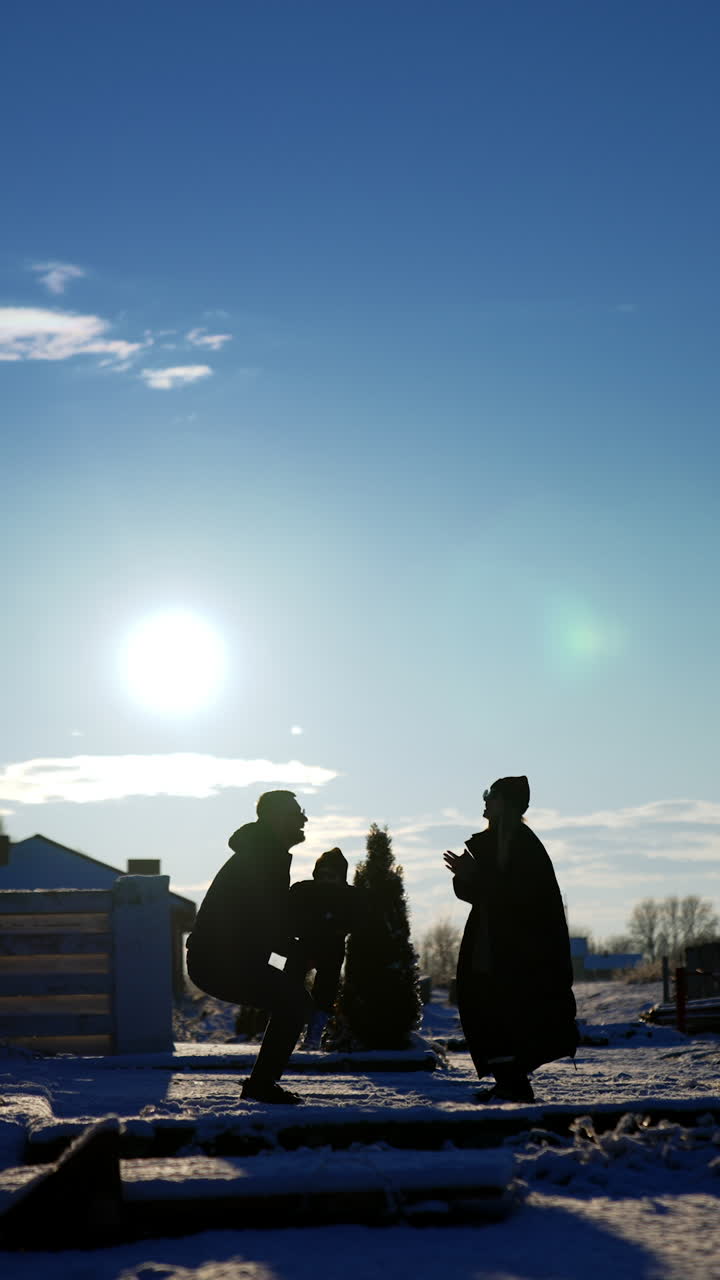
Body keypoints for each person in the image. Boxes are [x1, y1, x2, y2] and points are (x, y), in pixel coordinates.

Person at [444, 776, 578, 1103]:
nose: (486, 801)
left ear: (506, 803)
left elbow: (517, 896)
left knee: (507, 1010)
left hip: (517, 949)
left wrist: (474, 875)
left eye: (491, 796)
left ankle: (514, 1083)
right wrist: (466, 877)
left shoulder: (521, 844)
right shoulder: (500, 842)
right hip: (496, 943)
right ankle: (508, 1081)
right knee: (489, 1008)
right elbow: (488, 894)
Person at [186, 790, 313, 1105]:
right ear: (275, 818)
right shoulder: (262, 858)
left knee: (293, 999)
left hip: (228, 958)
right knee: (294, 1001)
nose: (304, 819)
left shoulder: (265, 853)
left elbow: (269, 927)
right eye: (296, 812)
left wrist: (294, 956)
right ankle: (261, 1085)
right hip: (219, 961)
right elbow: (267, 928)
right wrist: (297, 956)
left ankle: (262, 1084)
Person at [289, 847, 363, 1046]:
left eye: (331, 875)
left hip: (331, 948)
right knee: (288, 985)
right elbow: (288, 917)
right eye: (322, 874)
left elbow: (358, 920)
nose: (326, 879)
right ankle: (286, 1031)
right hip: (304, 945)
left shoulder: (349, 896)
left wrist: (338, 926)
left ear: (340, 877)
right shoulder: (303, 891)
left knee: (325, 991)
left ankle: (313, 1035)